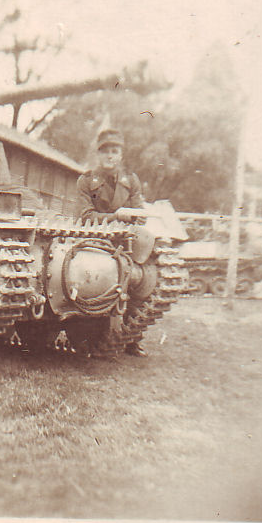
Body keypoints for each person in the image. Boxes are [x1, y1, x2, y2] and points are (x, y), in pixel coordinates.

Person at [76, 127, 148, 356]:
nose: (110, 156)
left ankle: (131, 337)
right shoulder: (87, 181)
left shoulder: (131, 181)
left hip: (124, 243)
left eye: (114, 151)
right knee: (94, 288)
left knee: (138, 285)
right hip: (94, 243)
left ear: (121, 156)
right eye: (105, 151)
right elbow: (85, 216)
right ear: (98, 154)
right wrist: (116, 217)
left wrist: (134, 216)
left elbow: (139, 212)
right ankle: (89, 340)